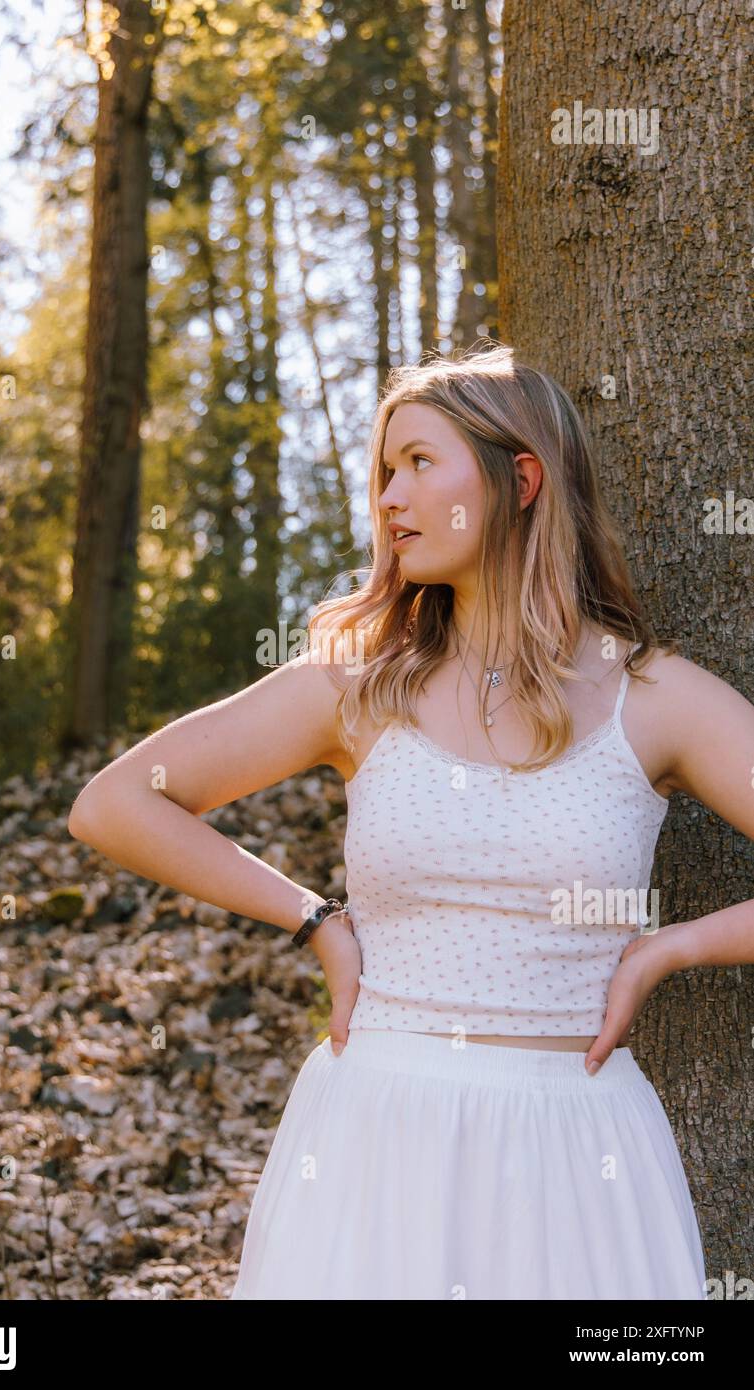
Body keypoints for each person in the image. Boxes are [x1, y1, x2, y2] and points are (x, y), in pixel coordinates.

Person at [67, 342, 754, 1300]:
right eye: (384, 471)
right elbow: (114, 804)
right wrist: (315, 921)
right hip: (375, 1136)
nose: (387, 499)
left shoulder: (655, 697)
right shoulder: (358, 684)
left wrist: (668, 949)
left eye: (419, 464)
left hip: (579, 1152)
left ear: (520, 481)